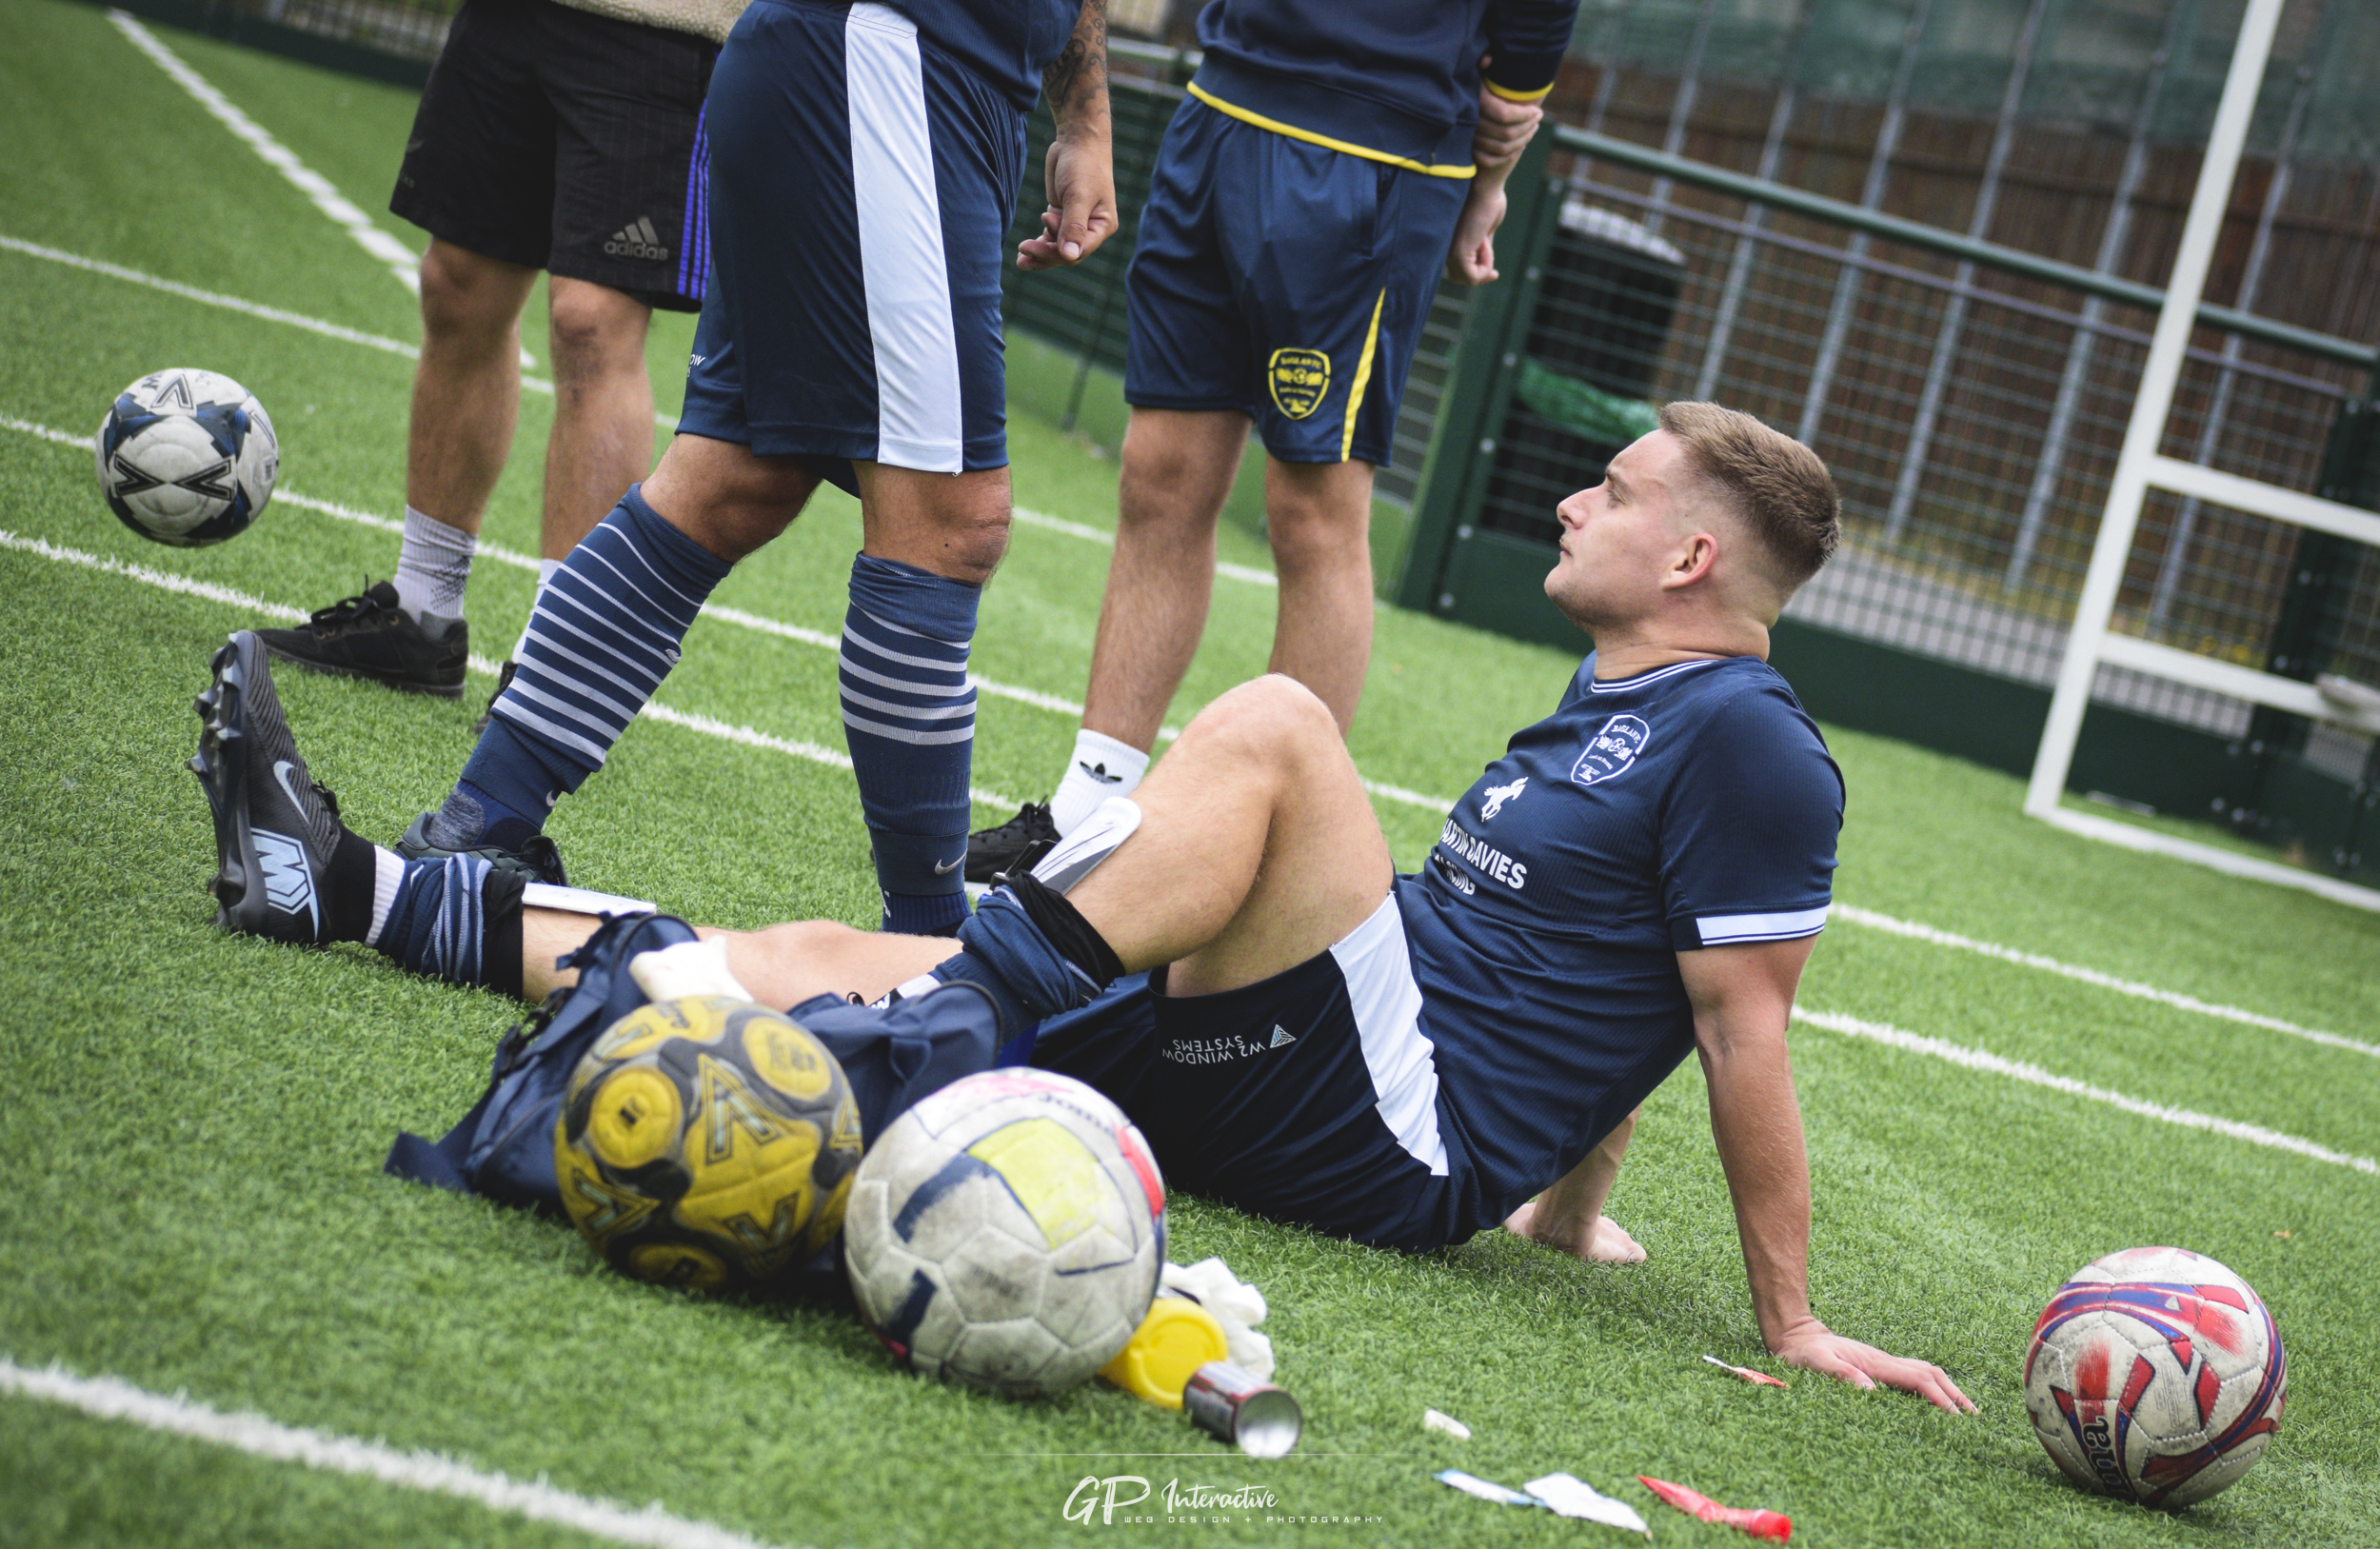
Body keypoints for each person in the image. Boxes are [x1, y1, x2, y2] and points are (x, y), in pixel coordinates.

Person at [189, 404, 1973, 1410]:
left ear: (1689, 559)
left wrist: (1793, 1323)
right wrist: (1577, 1218)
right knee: (818, 962)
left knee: (1275, 724)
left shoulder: (1754, 743)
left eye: (1620, 489)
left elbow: (1739, 1019)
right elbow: (1629, 991)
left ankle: (980, 999)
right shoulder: (1619, 699)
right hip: (1327, 1043)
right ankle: (343, 888)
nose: (1578, 496)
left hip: (1385, 1130)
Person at [345, 0, 1119, 938]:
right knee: (952, 525)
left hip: (909, 74)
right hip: (888, 58)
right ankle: (933, 950)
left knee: (735, 479)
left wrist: (1083, 118)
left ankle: (482, 818)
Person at [965, 0, 1578, 879]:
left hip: (1377, 145)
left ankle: (1263, 862)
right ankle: (1085, 817)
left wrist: (1489, 171)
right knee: (1159, 474)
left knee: (1313, 511)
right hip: (1220, 106)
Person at [256, 0, 748, 706]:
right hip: (509, 16)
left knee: (591, 324)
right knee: (457, 284)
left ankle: (559, 658)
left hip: (664, 27)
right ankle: (421, 615)